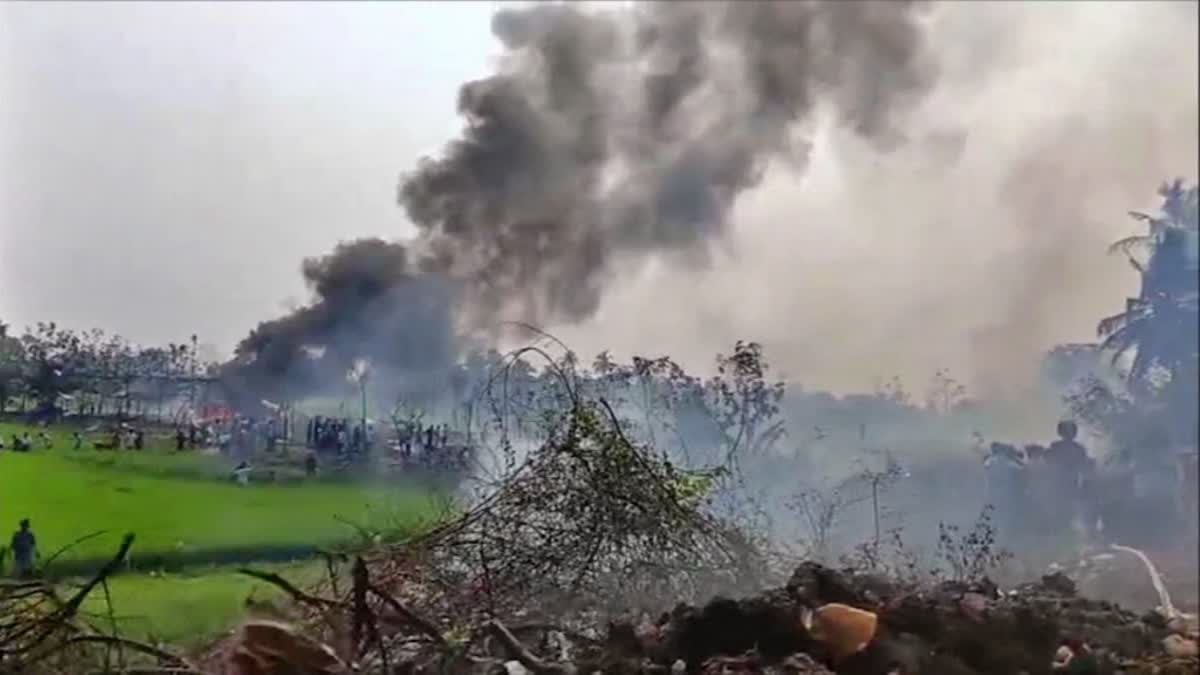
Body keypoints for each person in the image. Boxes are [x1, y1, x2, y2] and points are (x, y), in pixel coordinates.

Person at [1045, 421, 1095, 537]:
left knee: (1063, 514)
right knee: (1068, 514)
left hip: (1061, 485)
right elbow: (1085, 467)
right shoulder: (1078, 449)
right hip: (1068, 484)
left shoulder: (1055, 447)